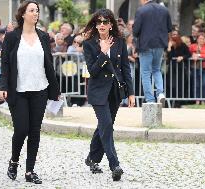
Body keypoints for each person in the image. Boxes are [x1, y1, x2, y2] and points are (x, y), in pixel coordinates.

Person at [0, 0, 60, 184]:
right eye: (32, 10)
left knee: (34, 131)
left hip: (40, 89)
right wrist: (3, 87)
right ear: (23, 14)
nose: (36, 13)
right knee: (21, 129)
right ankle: (14, 161)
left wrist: (55, 90)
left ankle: (30, 171)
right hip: (18, 91)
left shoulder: (43, 36)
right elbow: (6, 64)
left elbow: (49, 64)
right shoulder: (12, 37)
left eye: (37, 10)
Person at [82, 8, 135, 181]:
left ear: (111, 24)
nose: (102, 25)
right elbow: (93, 71)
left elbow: (126, 69)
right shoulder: (89, 43)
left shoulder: (119, 41)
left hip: (115, 91)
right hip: (98, 91)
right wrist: (103, 53)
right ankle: (115, 165)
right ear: (95, 24)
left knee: (104, 126)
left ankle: (92, 158)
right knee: (106, 125)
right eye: (99, 22)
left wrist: (131, 93)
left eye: (105, 22)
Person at [133, 0, 172, 104]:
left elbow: (136, 31)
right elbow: (169, 28)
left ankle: (150, 99)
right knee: (156, 70)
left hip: (145, 45)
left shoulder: (141, 10)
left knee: (145, 73)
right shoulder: (164, 10)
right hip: (159, 44)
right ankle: (160, 93)